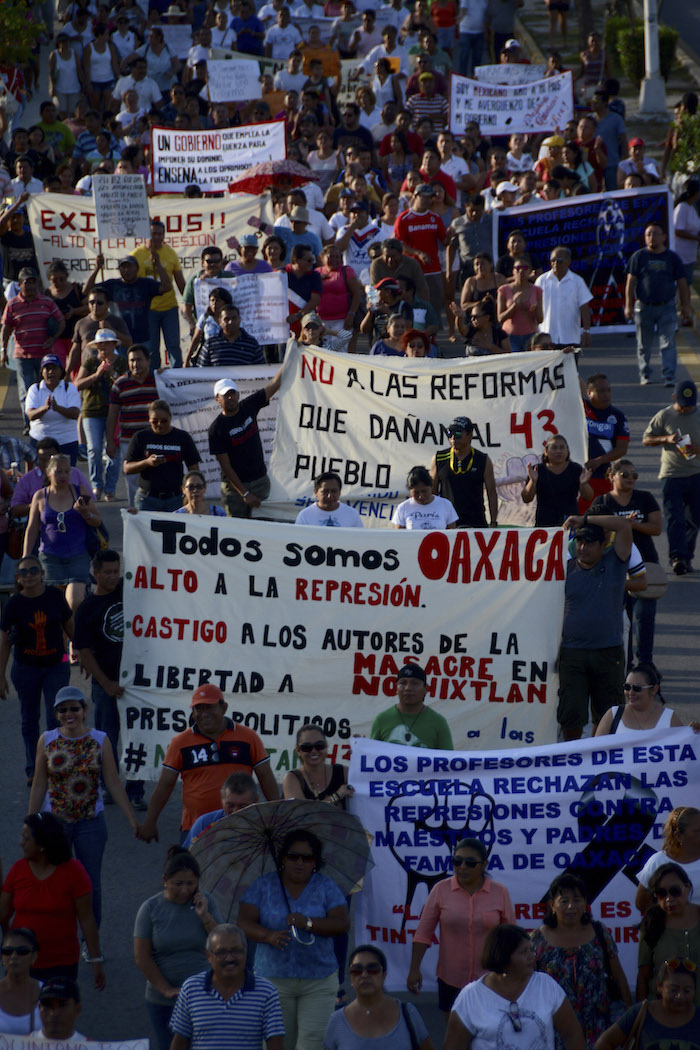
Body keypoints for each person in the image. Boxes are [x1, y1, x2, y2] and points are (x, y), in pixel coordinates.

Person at [28, 684, 139, 926]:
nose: (69, 714)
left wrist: (132, 820)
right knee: (56, 883)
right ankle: (61, 935)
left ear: (85, 710)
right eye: (63, 710)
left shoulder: (100, 740)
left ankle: (91, 940)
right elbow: (39, 784)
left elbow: (112, 781)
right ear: (56, 713)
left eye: (74, 708)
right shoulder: (47, 740)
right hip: (56, 825)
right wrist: (31, 825)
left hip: (91, 824)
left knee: (90, 885)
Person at [238, 830, 349, 1050]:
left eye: (307, 858)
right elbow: (243, 922)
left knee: (312, 1045)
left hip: (318, 980)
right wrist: (267, 936)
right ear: (282, 859)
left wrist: (308, 923)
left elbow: (342, 924)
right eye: (293, 856)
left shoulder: (326, 886)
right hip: (273, 980)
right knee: (278, 1044)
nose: (300, 862)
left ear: (315, 862)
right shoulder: (263, 885)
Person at [138, 683, 279, 842]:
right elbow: (165, 784)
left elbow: (265, 776)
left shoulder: (248, 737)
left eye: (209, 707)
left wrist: (279, 816)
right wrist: (150, 821)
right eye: (198, 709)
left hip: (241, 826)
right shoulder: (180, 742)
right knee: (192, 867)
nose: (204, 714)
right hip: (195, 829)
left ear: (224, 708)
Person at [73, 548, 146, 809]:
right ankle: (109, 787)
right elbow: (84, 651)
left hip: (137, 681)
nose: (114, 577)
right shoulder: (87, 609)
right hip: (106, 684)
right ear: (96, 574)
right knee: (107, 738)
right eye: (108, 572)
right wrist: (105, 683)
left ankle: (136, 790)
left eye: (117, 571)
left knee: (138, 737)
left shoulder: (130, 592)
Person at [408, 838, 514, 1013]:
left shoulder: (500, 892)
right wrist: (414, 969)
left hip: (491, 979)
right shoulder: (440, 890)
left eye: (470, 863)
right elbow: (423, 933)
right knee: (454, 1036)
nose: (462, 867)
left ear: (484, 864)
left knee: (489, 1035)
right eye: (457, 861)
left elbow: (511, 936)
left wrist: (512, 973)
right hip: (451, 980)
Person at [0, 813, 105, 989]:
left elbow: (87, 919)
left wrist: (96, 960)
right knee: (22, 1014)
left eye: (26, 839)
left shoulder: (74, 872)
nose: (20, 843)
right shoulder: (18, 870)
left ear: (42, 845)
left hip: (61, 963)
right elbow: (2, 914)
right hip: (20, 961)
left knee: (55, 1015)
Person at [134, 846, 223, 1050]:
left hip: (206, 997)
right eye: (178, 884)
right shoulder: (150, 908)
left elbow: (224, 944)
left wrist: (205, 916)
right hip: (164, 1000)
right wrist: (166, 990)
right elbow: (142, 956)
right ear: (165, 880)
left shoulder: (207, 902)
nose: (184, 890)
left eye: (190, 884)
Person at [444, 924, 585, 1050]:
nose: (532, 957)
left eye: (531, 950)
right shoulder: (471, 997)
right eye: (524, 952)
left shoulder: (546, 986)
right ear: (502, 956)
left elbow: (571, 1034)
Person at [556, 513, 633, 740]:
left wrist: (585, 520)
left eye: (589, 543)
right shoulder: (565, 569)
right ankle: (573, 758)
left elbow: (622, 525)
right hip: (572, 653)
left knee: (609, 715)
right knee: (571, 715)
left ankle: (602, 764)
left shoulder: (615, 562)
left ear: (603, 546)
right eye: (580, 542)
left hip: (608, 652)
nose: (583, 548)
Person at [531, 874, 632, 1044]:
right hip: (554, 1028)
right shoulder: (538, 939)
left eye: (577, 900)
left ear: (585, 903)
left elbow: (619, 978)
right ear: (552, 905)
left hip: (599, 1025)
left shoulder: (600, 932)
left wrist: (630, 1018)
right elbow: (527, 984)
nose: (571, 906)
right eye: (564, 901)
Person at [0, 556, 73, 781]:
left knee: (56, 718)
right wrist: (0, 675)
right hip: (26, 668)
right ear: (18, 578)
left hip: (55, 666)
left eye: (33, 570)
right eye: (24, 572)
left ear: (42, 574)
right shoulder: (14, 603)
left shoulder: (55, 597)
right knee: (29, 719)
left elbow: (71, 627)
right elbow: (4, 640)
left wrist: (82, 654)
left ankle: (55, 766)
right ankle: (34, 769)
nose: (29, 575)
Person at [590, 460, 663, 665]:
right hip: (615, 564)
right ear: (611, 476)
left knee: (645, 615)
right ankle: (626, 663)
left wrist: (632, 525)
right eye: (625, 474)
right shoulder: (602, 502)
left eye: (634, 475)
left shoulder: (645, 498)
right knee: (623, 618)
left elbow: (656, 528)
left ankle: (646, 663)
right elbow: (593, 528)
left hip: (645, 562)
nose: (631, 478)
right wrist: (620, 526)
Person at [169, 923, 284, 1050]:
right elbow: (180, 1043)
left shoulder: (266, 992)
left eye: (236, 951)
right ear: (209, 956)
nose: (229, 958)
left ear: (245, 952)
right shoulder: (191, 989)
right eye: (221, 952)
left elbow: (275, 1044)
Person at [22, 452, 101, 617]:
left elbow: (97, 522)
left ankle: (75, 641)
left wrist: (86, 513)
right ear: (49, 473)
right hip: (50, 558)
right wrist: (26, 558)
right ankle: (61, 642)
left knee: (74, 601)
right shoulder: (40, 496)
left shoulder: (80, 492)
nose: (63, 475)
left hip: (77, 556)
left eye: (66, 471)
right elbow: (32, 529)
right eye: (58, 471)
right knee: (55, 608)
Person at [326, 944, 434, 1050]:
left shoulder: (408, 1014)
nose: (364, 975)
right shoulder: (337, 1021)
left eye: (372, 969)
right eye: (357, 970)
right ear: (351, 977)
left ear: (384, 976)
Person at [642, 380, 700, 576]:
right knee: (675, 519)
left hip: (696, 474)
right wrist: (665, 439)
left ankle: (687, 556)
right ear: (674, 398)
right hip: (671, 475)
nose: (687, 408)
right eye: (683, 404)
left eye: (690, 404)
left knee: (694, 520)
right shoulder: (664, 416)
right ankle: (677, 557)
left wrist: (696, 449)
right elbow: (646, 439)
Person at [208, 371, 282, 519]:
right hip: (234, 488)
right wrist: (245, 493)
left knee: (266, 527)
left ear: (238, 394)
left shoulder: (248, 406)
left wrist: (293, 351)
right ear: (217, 399)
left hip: (260, 481)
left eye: (232, 393)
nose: (230, 398)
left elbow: (275, 384)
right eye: (225, 395)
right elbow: (226, 467)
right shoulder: (216, 428)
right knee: (236, 531)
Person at [625, 223, 691, 387]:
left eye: (655, 233)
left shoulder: (672, 258)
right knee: (643, 344)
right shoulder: (639, 256)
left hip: (667, 307)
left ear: (664, 237)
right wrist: (628, 305)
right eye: (648, 234)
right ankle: (645, 373)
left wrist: (685, 307)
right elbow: (630, 282)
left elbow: (682, 283)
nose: (652, 237)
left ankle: (668, 375)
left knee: (668, 343)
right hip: (644, 307)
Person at [1, 268, 66, 422]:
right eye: (27, 283)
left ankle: (44, 418)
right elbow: (6, 328)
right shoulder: (12, 305)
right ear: (20, 285)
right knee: (27, 390)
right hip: (23, 355)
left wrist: (53, 338)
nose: (30, 286)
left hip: (44, 355)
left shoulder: (47, 302)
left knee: (43, 388)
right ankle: (29, 423)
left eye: (33, 283)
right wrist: (3, 350)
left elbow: (61, 321)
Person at [596, 960, 699, 1050]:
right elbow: (604, 1043)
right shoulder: (641, 1013)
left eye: (687, 991)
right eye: (673, 990)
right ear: (659, 987)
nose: (680, 996)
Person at [636, 864, 700, 1003]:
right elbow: (643, 977)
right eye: (661, 893)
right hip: (664, 1015)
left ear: (687, 887)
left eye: (675, 891)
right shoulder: (651, 925)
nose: (668, 898)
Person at [75, 329, 127, 501]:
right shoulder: (90, 363)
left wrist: (112, 374)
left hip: (115, 411)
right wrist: (96, 375)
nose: (103, 347)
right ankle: (97, 485)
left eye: (106, 344)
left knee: (113, 450)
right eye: (99, 345)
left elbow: (127, 383)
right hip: (92, 411)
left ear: (113, 345)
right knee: (94, 449)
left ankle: (110, 489)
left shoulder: (121, 363)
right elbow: (78, 384)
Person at [124, 400, 200, 512]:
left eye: (164, 421)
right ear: (149, 419)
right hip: (147, 499)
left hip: (175, 499)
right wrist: (147, 462)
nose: (159, 425)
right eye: (155, 421)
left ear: (170, 417)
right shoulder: (140, 437)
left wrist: (190, 494)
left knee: (175, 529)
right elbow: (127, 468)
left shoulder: (182, 437)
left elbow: (194, 469)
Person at [106, 344, 158, 509]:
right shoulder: (120, 384)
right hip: (130, 441)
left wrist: (167, 374)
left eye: (139, 360)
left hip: (155, 440)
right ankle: (135, 519)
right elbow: (112, 415)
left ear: (148, 361)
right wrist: (109, 441)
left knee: (156, 481)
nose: (135, 364)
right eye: (132, 360)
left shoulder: (159, 380)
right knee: (133, 484)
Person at [130, 220, 186, 370]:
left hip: (169, 308)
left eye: (159, 234)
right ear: (146, 235)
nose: (156, 237)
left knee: (173, 345)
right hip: (148, 310)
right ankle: (153, 380)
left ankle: (177, 378)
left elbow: (181, 283)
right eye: (153, 234)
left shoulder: (170, 253)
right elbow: (130, 282)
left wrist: (189, 303)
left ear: (164, 235)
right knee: (152, 349)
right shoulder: (137, 254)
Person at [596, 664, 699, 737]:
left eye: (637, 688)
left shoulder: (669, 718)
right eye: (627, 687)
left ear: (654, 689)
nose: (631, 692)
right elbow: (594, 752)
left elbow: (685, 751)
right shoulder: (613, 715)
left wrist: (694, 733)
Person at [430, 417, 497, 528]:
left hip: (476, 522)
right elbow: (431, 492)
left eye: (458, 433)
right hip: (447, 522)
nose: (453, 438)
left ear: (470, 435)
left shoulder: (482, 459)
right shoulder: (439, 458)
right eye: (449, 433)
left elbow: (492, 493)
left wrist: (494, 522)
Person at [370, 663, 453, 749]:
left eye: (415, 683)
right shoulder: (382, 720)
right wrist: (358, 746)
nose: (408, 688)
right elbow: (370, 756)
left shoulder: (438, 722)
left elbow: (448, 759)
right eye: (403, 683)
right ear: (396, 688)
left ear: (426, 689)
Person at [582, 374, 630, 510]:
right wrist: (568, 358)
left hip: (604, 477)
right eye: (601, 391)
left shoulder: (618, 416)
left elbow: (622, 449)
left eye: (608, 390)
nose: (606, 395)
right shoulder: (581, 408)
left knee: (603, 519)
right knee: (578, 520)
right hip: (579, 478)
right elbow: (573, 384)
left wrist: (599, 461)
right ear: (589, 393)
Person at [522, 436, 593, 527]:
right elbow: (526, 498)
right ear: (546, 451)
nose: (558, 451)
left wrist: (584, 483)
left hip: (570, 522)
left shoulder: (576, 469)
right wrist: (533, 481)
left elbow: (588, 497)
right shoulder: (537, 470)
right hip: (544, 522)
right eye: (554, 448)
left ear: (567, 451)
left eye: (562, 448)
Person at [25, 354, 81, 464]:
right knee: (39, 477)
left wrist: (57, 408)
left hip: (66, 441)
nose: (51, 372)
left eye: (54, 368)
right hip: (40, 441)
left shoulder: (69, 388)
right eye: (47, 369)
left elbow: (75, 413)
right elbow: (30, 415)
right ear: (42, 372)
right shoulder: (35, 389)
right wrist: (45, 408)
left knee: (66, 476)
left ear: (61, 371)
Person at [534, 247, 592, 350]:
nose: (556, 263)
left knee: (571, 366)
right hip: (547, 339)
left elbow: (584, 307)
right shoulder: (541, 281)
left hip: (570, 337)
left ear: (568, 261)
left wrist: (586, 330)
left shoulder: (577, 281)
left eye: (560, 260)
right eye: (553, 260)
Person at [183, 773, 259, 848]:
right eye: (230, 805)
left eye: (243, 807)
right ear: (222, 798)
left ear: (256, 800)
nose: (235, 811)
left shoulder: (265, 826)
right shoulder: (205, 824)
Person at [496, 256, 543, 352]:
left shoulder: (537, 290)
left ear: (530, 271)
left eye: (525, 268)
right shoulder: (504, 290)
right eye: (517, 268)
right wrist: (514, 305)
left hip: (530, 336)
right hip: (510, 337)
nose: (521, 271)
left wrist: (535, 309)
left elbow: (540, 319)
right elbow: (500, 318)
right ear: (513, 271)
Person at [197, 304, 265, 368]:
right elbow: (201, 370)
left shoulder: (252, 344)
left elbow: (261, 370)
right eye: (227, 319)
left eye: (234, 318)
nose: (231, 322)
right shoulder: (210, 344)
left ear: (239, 319)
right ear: (220, 321)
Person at [0, 927, 41, 1034]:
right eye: (7, 951)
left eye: (22, 952)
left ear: (34, 956)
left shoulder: (47, 994)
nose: (14, 956)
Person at [392, 465, 458, 529]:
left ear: (432, 486)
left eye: (424, 491)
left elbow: (452, 534)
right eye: (416, 493)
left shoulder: (445, 505)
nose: (421, 496)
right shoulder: (403, 507)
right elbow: (397, 536)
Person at [295, 472, 364, 527]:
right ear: (316, 492)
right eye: (325, 491)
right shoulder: (305, 516)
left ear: (339, 492)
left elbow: (360, 540)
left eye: (334, 491)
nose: (329, 496)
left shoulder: (352, 515)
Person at [32, 977, 86, 1041]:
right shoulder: (20, 1045)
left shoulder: (92, 1047)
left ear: (77, 1009)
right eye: (47, 1005)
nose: (53, 1013)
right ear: (39, 1008)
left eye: (62, 1005)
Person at [673, 180, 700, 288]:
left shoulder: (691, 208)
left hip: (690, 254)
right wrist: (696, 238)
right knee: (681, 283)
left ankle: (685, 304)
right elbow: (678, 231)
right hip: (681, 254)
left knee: (687, 282)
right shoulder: (682, 207)